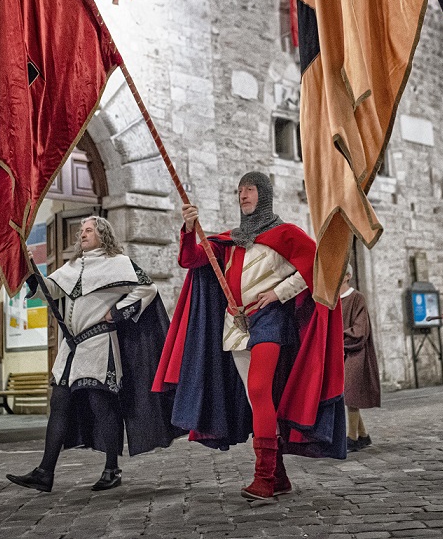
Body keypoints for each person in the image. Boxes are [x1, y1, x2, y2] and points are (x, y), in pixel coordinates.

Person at [154, 171, 346, 500]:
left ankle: (264, 477)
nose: (243, 196)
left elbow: (323, 265)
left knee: (258, 390)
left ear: (264, 195)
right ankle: (280, 476)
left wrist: (280, 292)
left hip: (271, 321)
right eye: (240, 191)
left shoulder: (286, 234)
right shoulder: (231, 241)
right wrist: (188, 229)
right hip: (236, 328)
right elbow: (191, 259)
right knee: (259, 400)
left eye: (250, 190)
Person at [6, 216, 182, 493]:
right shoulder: (72, 266)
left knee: (103, 406)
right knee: (59, 404)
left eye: (89, 230)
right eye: (82, 230)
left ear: (103, 235)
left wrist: (117, 312)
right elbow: (48, 291)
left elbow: (148, 288)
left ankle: (111, 469)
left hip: (99, 342)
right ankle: (44, 472)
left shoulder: (118, 263)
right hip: (71, 346)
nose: (83, 233)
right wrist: (31, 268)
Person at [340, 267, 380, 452]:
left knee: (350, 391)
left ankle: (352, 438)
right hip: (339, 351)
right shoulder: (331, 300)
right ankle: (364, 435)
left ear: (348, 276)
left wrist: (339, 337)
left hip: (356, 350)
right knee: (347, 393)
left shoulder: (357, 298)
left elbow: (360, 329)